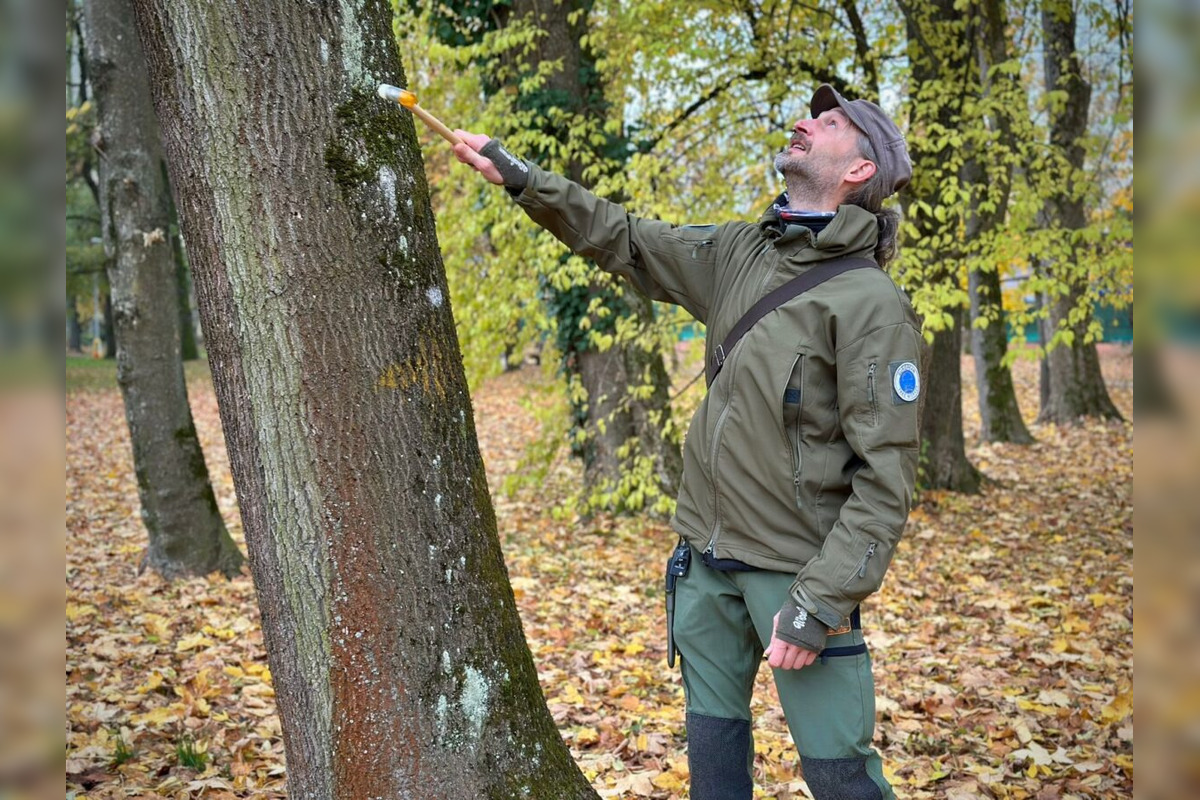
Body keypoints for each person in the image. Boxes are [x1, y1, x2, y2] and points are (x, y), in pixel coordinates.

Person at [452, 84, 920, 800]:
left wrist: (820, 601)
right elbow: (626, 237)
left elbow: (885, 481)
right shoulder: (738, 252)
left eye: (827, 124)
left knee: (841, 775)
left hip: (796, 576)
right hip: (702, 563)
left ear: (860, 170)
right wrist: (521, 177)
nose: (804, 122)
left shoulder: (870, 307)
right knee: (713, 764)